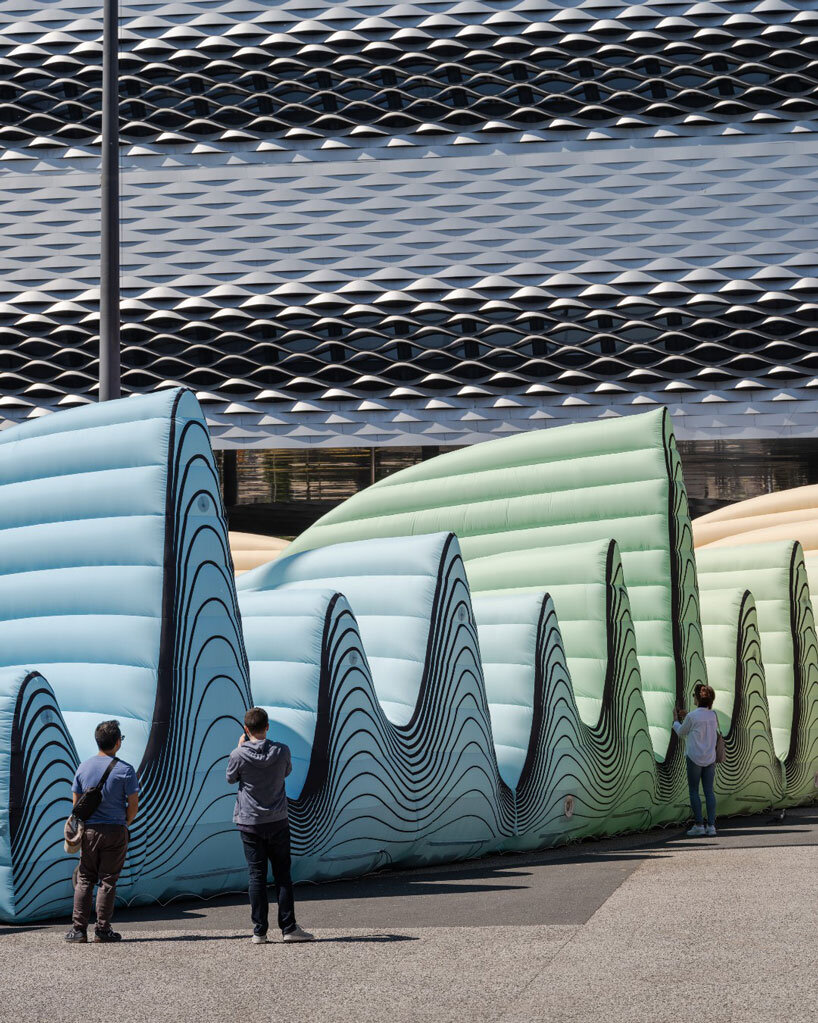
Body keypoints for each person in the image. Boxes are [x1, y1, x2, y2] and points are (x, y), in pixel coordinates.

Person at [227, 706, 314, 944]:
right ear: (267, 727)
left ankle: (259, 931)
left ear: (247, 728)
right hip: (277, 820)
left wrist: (239, 747)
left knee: (256, 876)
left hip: (249, 821)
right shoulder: (282, 750)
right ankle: (288, 927)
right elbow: (286, 771)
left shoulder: (238, 755)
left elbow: (230, 778)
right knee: (283, 875)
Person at [65, 720, 139, 943]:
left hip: (89, 832)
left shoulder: (83, 767)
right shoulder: (126, 770)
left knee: (85, 878)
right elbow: (133, 805)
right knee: (108, 880)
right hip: (115, 831)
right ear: (117, 742)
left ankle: (78, 930)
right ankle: (103, 930)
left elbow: (76, 804)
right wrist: (122, 821)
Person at [673, 684, 718, 838]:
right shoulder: (713, 715)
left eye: (694, 695)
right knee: (709, 792)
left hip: (694, 757)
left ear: (697, 698)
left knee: (694, 791)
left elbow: (681, 731)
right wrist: (687, 716)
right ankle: (711, 826)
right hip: (710, 758)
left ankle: (699, 825)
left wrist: (675, 720)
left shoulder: (692, 716)